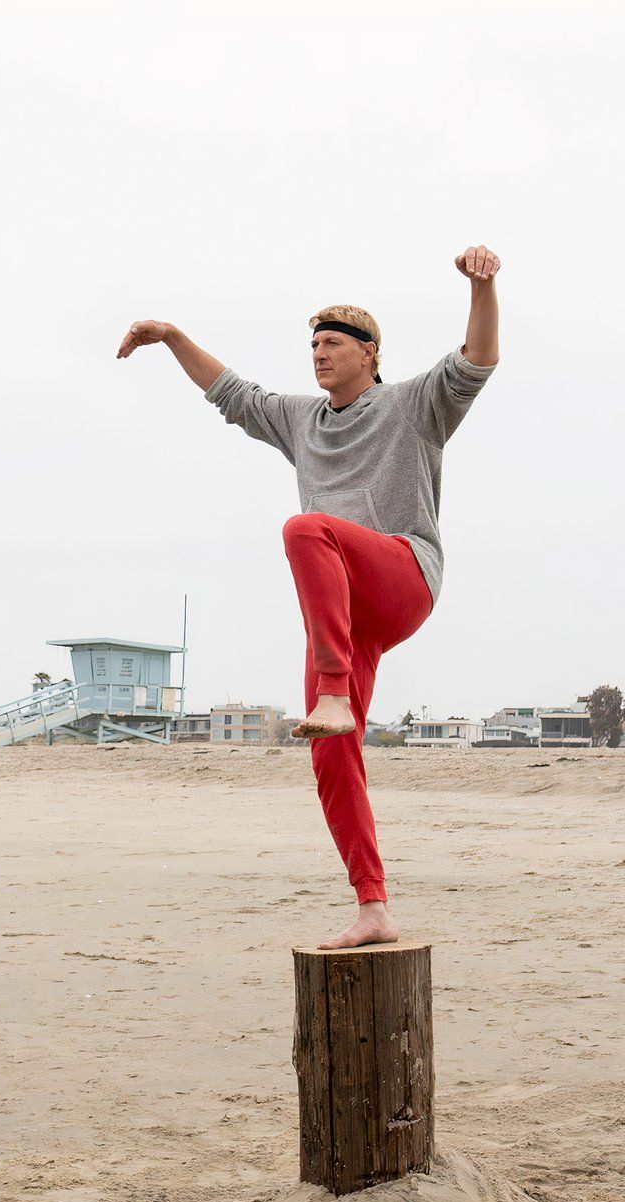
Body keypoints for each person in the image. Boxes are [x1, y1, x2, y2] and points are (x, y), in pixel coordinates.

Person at [116, 246, 502, 949]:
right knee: (331, 754)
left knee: (304, 529)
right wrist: (171, 338)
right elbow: (233, 394)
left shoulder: (412, 405)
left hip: (403, 576)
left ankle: (330, 694)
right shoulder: (303, 421)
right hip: (343, 617)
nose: (319, 355)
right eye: (314, 345)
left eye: (332, 344)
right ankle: (373, 905)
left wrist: (484, 287)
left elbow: (477, 359)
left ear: (370, 354)